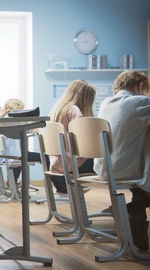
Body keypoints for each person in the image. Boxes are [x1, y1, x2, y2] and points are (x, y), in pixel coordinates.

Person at [94, 70, 150, 251]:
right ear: (140, 86)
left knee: (140, 189)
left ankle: (140, 240)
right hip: (125, 169)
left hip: (104, 167)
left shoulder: (105, 103)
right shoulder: (140, 102)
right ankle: (126, 209)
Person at [48, 80, 96, 194]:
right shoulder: (74, 110)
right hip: (71, 163)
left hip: (55, 163)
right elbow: (81, 140)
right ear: (84, 96)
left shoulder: (57, 110)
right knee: (107, 160)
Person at [0, 98, 41, 187]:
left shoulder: (2, 119)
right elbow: (27, 130)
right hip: (16, 155)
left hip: (6, 154)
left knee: (22, 156)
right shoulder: (14, 121)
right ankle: (60, 185)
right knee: (45, 158)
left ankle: (12, 181)